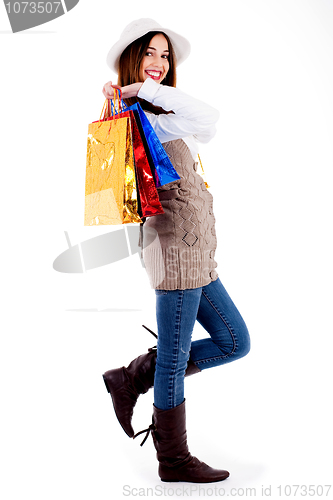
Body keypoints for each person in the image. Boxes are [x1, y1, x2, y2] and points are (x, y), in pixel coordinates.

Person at [102, 18, 251, 483]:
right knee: (173, 357)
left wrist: (143, 90)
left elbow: (205, 125)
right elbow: (209, 118)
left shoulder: (160, 115)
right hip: (175, 255)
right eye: (149, 53)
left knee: (234, 342)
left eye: (165, 56)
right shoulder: (136, 120)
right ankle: (174, 460)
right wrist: (130, 95)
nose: (159, 64)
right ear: (131, 59)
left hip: (199, 256)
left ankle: (132, 378)